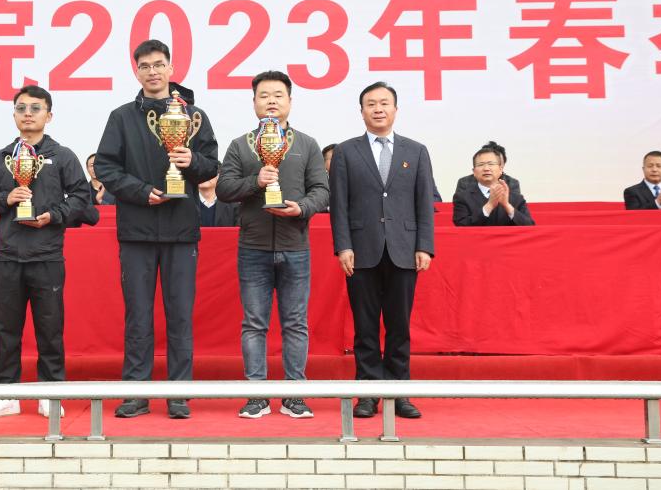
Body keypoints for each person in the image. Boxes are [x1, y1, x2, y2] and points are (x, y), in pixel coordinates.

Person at [93, 39, 219, 420]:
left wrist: (191, 159)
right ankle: (136, 392)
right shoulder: (121, 117)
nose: (152, 72)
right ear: (136, 72)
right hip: (137, 230)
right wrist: (141, 192)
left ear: (171, 68)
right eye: (145, 66)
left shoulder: (194, 116)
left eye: (159, 64)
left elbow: (211, 165)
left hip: (181, 230)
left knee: (180, 316)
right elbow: (106, 168)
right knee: (138, 316)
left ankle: (179, 393)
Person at [0, 85, 92, 420]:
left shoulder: (63, 155)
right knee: (6, 329)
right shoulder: (2, 157)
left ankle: (50, 395)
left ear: (48, 116)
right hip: (8, 254)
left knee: (50, 329)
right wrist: (6, 198)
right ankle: (5, 395)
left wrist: (53, 215)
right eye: (21, 108)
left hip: (46, 255)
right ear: (14, 115)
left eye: (36, 108)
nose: (28, 114)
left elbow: (81, 198)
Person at [216, 71, 329, 419]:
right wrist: (256, 181)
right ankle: (257, 395)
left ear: (290, 101)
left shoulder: (306, 144)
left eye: (278, 95)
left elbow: (321, 190)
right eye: (264, 95)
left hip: (296, 246)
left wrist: (302, 208)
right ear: (254, 103)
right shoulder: (241, 145)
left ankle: (295, 395)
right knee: (254, 323)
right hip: (253, 247)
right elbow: (224, 189)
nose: (271, 101)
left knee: (295, 323)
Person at [329, 81, 434, 420]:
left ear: (395, 109)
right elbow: (339, 204)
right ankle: (368, 393)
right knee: (365, 326)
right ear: (361, 111)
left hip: (404, 249)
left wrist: (424, 246)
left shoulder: (416, 151)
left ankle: (399, 393)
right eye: (371, 104)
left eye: (384, 103)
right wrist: (343, 245)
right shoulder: (346, 152)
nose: (378, 109)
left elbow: (424, 202)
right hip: (361, 251)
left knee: (399, 326)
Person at [452, 147, 534, 226]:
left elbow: (529, 225)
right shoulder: (462, 197)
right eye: (481, 164)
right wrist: (489, 206)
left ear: (501, 169)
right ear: (474, 172)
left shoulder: (516, 198)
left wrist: (507, 205)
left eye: (491, 164)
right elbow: (461, 225)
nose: (486, 168)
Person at [454, 141, 521, 198]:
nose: (486, 168)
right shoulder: (465, 183)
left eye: (492, 163)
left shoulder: (512, 183)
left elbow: (515, 206)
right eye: (482, 163)